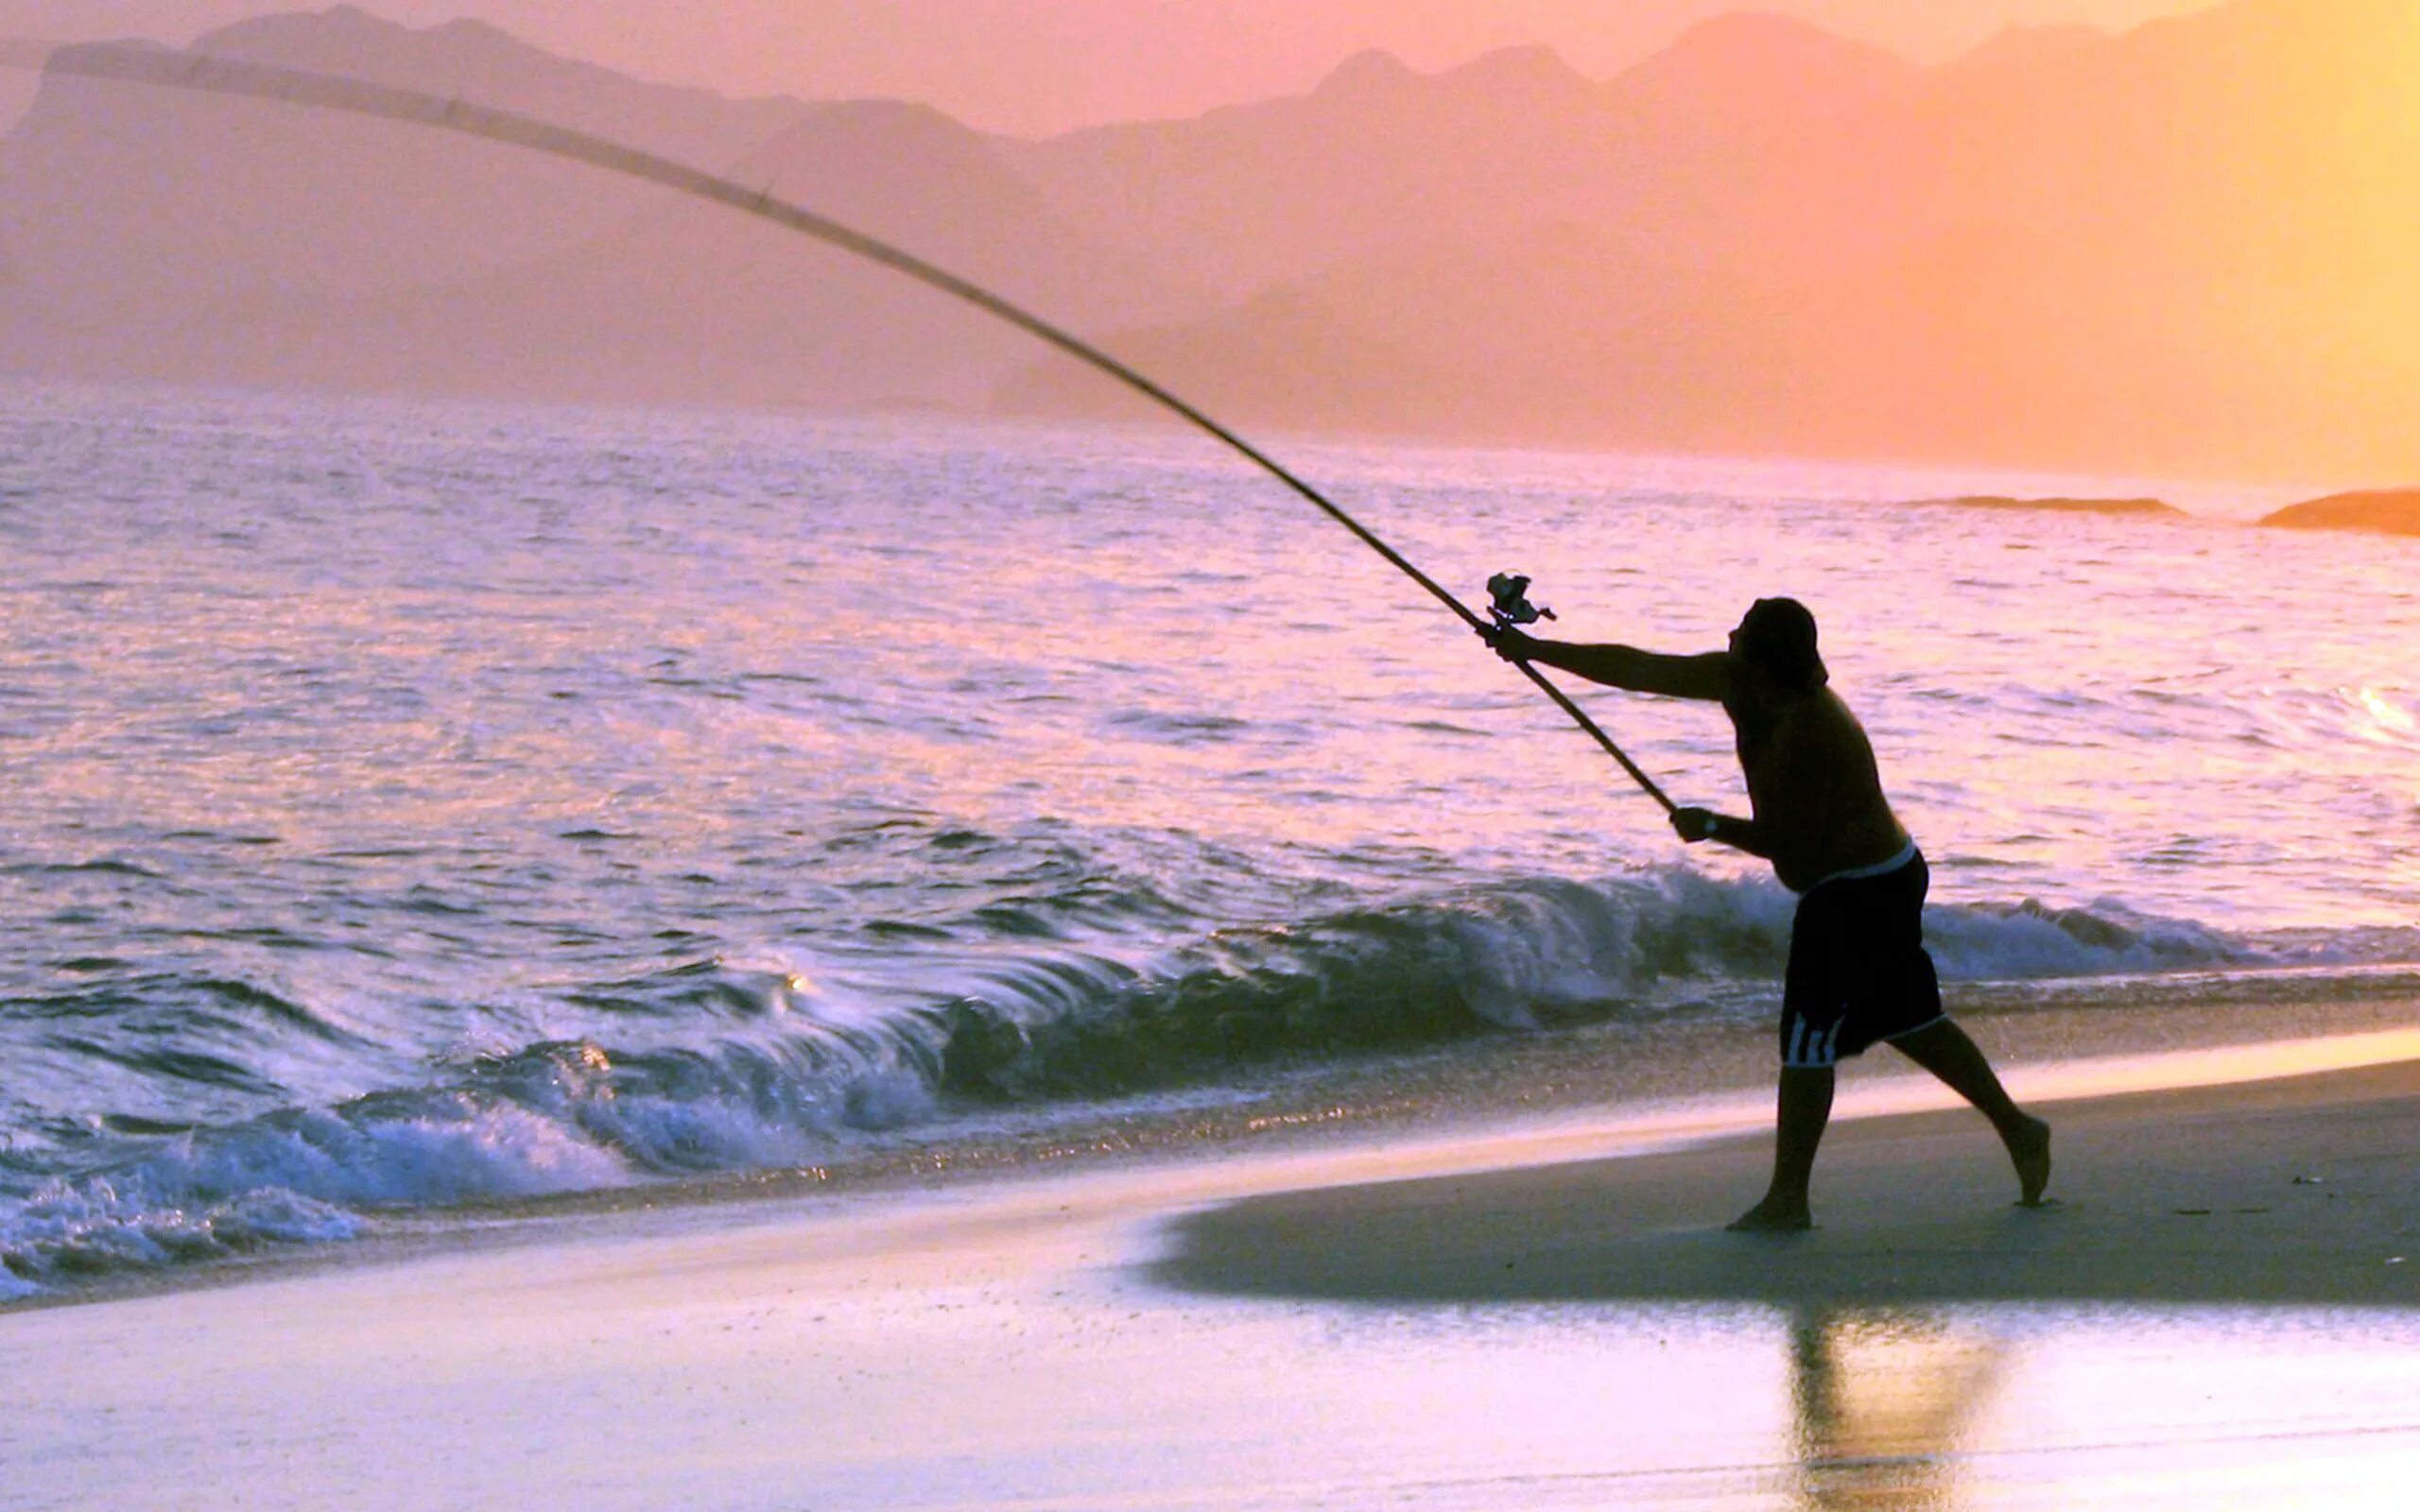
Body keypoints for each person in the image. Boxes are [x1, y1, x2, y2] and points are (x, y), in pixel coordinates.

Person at [1480, 596, 2051, 1230]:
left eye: (1741, 633)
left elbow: (1791, 847)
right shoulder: (1739, 679)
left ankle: (1788, 1200)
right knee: (1910, 1020)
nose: (1728, 635)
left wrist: (1713, 825)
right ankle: (2021, 1130)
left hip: (1858, 891)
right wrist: (1533, 651)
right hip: (1884, 873)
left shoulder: (1811, 732)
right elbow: (1640, 668)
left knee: (1809, 1039)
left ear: (1764, 663)